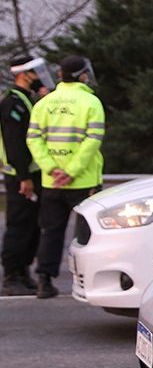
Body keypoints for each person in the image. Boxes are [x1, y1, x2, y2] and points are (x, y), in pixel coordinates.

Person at [26, 55, 105, 299]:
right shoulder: (91, 102)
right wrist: (71, 171)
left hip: (52, 181)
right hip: (84, 182)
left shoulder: (43, 103)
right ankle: (91, 281)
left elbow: (33, 139)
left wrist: (52, 168)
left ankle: (44, 281)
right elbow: (93, 140)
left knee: (51, 232)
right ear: (82, 75)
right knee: (90, 234)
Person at [1, 56, 46, 295]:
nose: (38, 74)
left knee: (32, 225)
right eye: (34, 71)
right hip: (20, 176)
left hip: (33, 173)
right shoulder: (12, 103)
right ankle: (11, 275)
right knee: (18, 225)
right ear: (23, 74)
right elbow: (14, 145)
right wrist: (23, 178)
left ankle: (24, 271)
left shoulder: (28, 100)